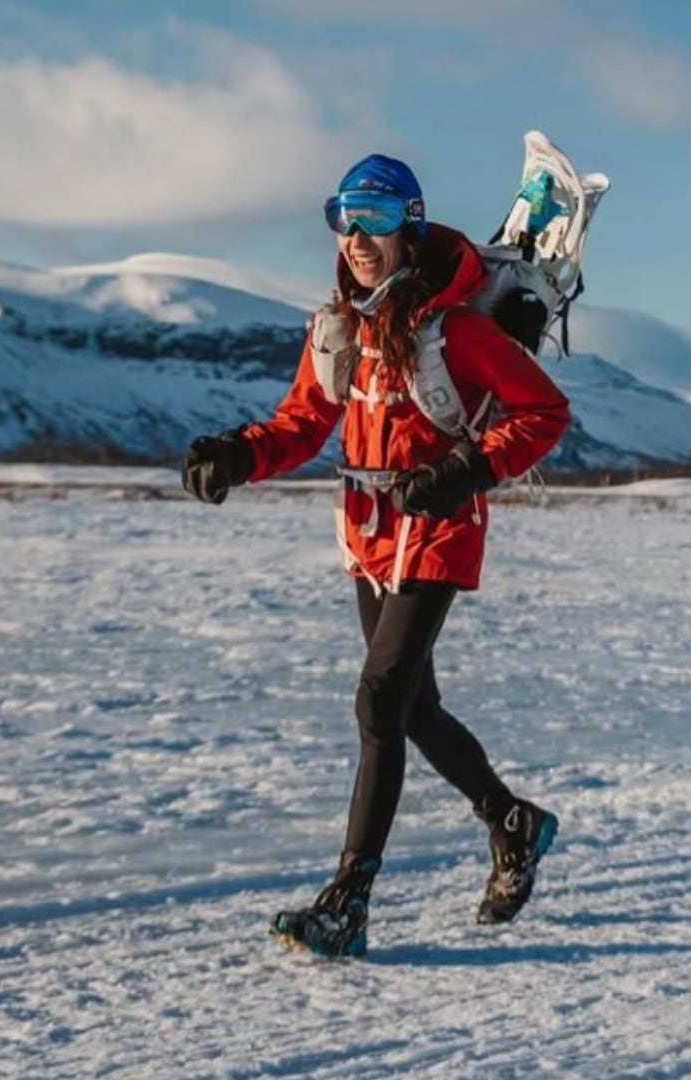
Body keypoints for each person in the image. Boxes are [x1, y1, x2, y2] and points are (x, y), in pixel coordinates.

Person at [181, 154, 571, 957]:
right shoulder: (341, 330)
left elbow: (543, 411)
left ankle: (349, 903)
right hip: (367, 532)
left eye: (377, 218)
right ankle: (512, 821)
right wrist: (237, 453)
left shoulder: (458, 331)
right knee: (413, 710)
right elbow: (301, 423)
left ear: (411, 228)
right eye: (344, 218)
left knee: (379, 702)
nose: (358, 236)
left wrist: (464, 471)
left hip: (439, 527)